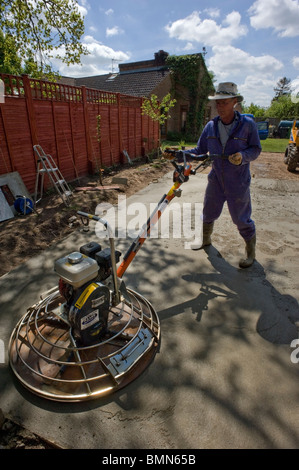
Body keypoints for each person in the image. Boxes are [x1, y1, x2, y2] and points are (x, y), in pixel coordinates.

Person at [187, 82, 261, 268]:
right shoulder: (211, 126)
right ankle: (205, 240)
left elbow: (255, 149)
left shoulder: (247, 125)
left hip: (238, 181)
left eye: (224, 102)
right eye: (217, 103)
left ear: (234, 102)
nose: (219, 107)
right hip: (216, 179)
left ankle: (250, 252)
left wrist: (243, 157)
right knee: (208, 212)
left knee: (240, 218)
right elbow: (199, 150)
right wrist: (179, 154)